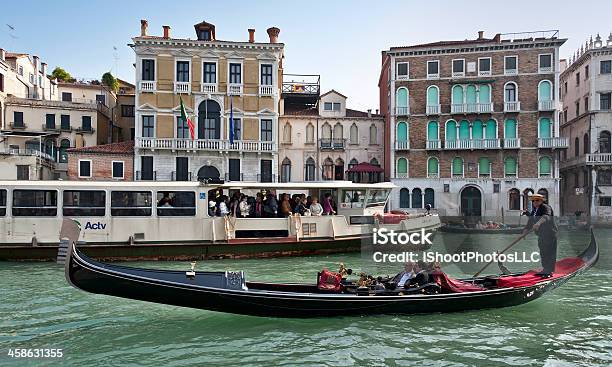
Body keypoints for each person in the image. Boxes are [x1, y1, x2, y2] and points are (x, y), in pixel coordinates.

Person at [522, 193, 558, 278]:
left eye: (537, 200)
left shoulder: (546, 207)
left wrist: (538, 223)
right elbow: (530, 222)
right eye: (533, 200)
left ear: (541, 201)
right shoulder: (534, 210)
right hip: (541, 234)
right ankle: (545, 269)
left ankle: (549, 271)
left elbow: (546, 216)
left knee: (549, 252)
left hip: (550, 233)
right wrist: (525, 231)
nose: (535, 202)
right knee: (543, 251)